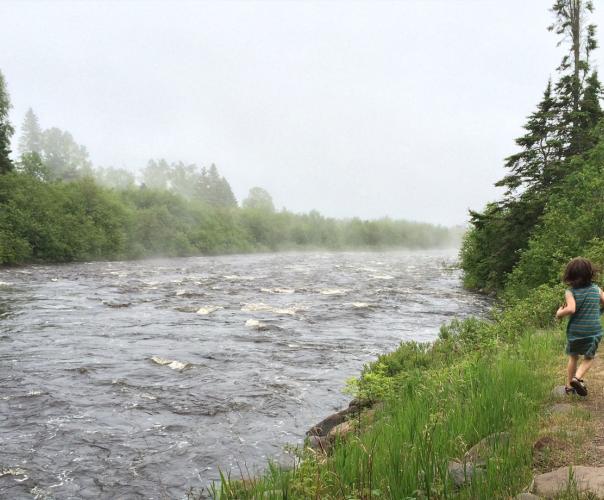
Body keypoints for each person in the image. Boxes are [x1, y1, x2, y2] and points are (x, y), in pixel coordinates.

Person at [556, 257, 604, 396]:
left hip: (576, 331)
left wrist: (559, 313)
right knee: (589, 358)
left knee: (573, 357)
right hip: (593, 330)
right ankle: (578, 378)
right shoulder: (596, 289)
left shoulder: (570, 292)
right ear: (590, 273)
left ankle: (570, 386)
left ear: (570, 275)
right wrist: (599, 309)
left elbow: (571, 309)